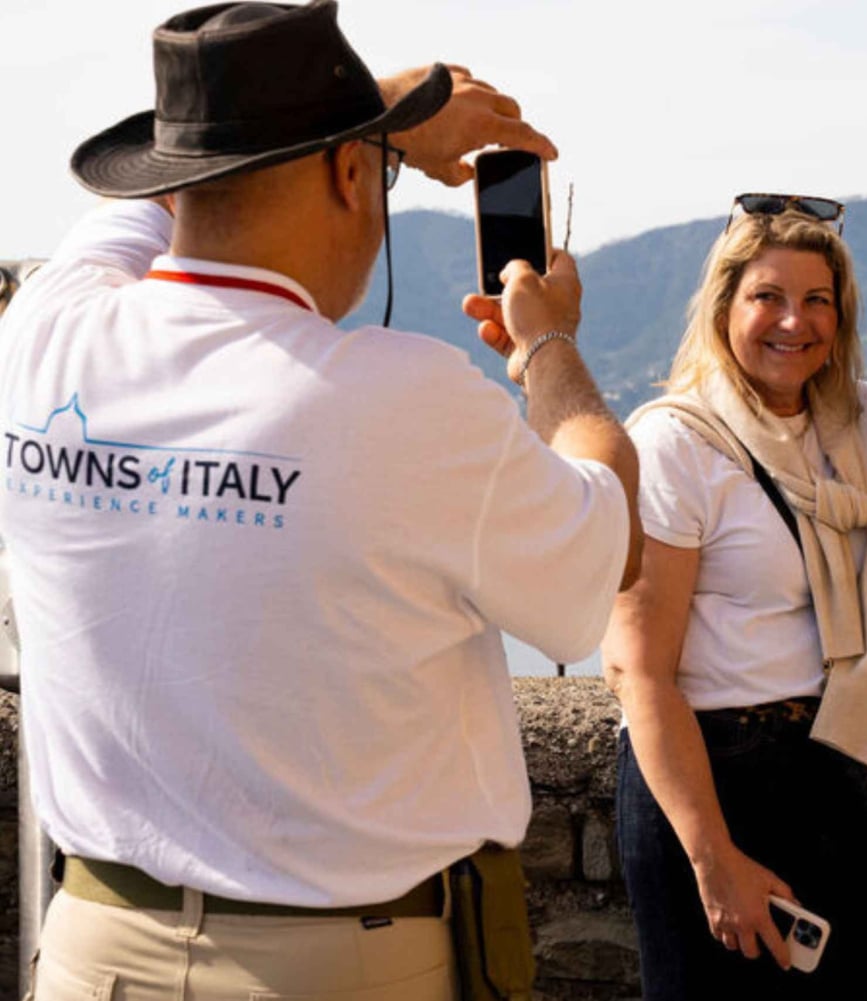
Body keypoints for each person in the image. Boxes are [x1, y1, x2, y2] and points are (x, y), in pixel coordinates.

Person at [0, 3, 641, 999]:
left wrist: (365, 118)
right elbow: (610, 538)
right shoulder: (402, 401)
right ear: (350, 175)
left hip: (91, 949)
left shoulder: (43, 335)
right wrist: (547, 349)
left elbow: (137, 218)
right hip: (341, 964)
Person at [601, 196, 867, 999]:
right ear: (725, 307)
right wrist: (714, 860)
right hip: (716, 776)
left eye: (817, 299)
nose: (793, 320)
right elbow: (639, 671)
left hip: (841, 771)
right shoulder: (677, 444)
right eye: (767, 297)